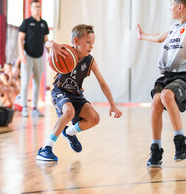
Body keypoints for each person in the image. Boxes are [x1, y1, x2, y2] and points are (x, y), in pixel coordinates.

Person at [136, 0, 186, 167]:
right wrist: (142, 35)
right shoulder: (173, 29)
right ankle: (156, 149)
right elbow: (159, 37)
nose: (169, 8)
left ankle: (181, 142)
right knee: (155, 102)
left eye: (171, 5)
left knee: (167, 95)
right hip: (168, 76)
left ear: (180, 8)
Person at [36, 24, 123, 161]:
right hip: (60, 91)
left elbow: (103, 84)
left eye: (92, 43)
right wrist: (52, 44)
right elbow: (47, 43)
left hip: (76, 94)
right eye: (88, 42)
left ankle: (69, 133)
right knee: (69, 112)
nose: (91, 46)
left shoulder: (90, 61)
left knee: (94, 119)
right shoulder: (64, 51)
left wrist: (112, 104)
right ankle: (46, 148)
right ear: (75, 41)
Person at [18, 0, 50, 117]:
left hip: (39, 57)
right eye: (35, 7)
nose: (37, 9)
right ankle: (25, 107)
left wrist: (50, 55)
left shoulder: (44, 23)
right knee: (25, 83)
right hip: (27, 56)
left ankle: (35, 108)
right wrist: (22, 55)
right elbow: (20, 39)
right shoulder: (26, 22)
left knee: (37, 83)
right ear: (31, 8)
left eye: (39, 7)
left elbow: (46, 41)